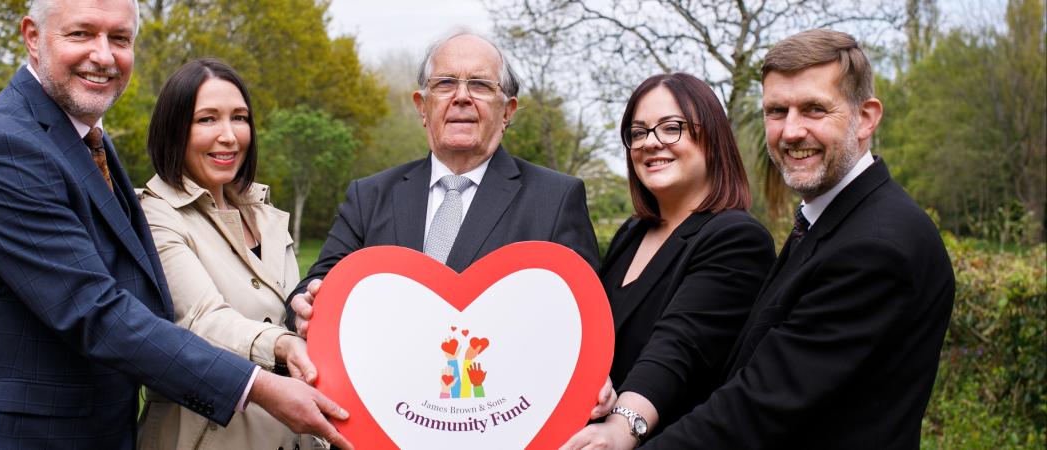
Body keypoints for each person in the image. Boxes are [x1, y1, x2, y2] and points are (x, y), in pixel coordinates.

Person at [0, 1, 350, 448]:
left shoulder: (87, 142)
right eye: (81, 34)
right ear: (32, 36)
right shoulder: (1, 147)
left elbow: (129, 289)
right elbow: (96, 312)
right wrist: (257, 384)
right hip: (13, 436)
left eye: (120, 38)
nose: (103, 56)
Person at [637, 29, 955, 449]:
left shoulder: (876, 247)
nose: (790, 131)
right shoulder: (830, 220)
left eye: (813, 109)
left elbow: (756, 412)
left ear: (865, 117)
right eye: (776, 111)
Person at [286, 30, 613, 419]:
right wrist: (303, 304)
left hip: (502, 420)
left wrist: (593, 372)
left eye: (479, 84)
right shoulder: (370, 195)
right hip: (383, 419)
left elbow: (584, 319)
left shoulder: (555, 199)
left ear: (507, 110)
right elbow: (318, 285)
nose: (461, 96)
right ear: (422, 106)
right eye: (445, 83)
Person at [560, 73, 775, 449]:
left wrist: (622, 426)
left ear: (712, 138)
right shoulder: (633, 232)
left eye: (671, 128)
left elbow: (678, 349)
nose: (651, 142)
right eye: (638, 132)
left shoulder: (736, 238)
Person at [135, 58, 324, 450]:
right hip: (204, 437)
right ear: (175, 130)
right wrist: (284, 344)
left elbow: (290, 310)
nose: (229, 136)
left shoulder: (266, 214)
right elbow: (201, 319)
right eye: (207, 119)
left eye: (239, 118)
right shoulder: (153, 214)